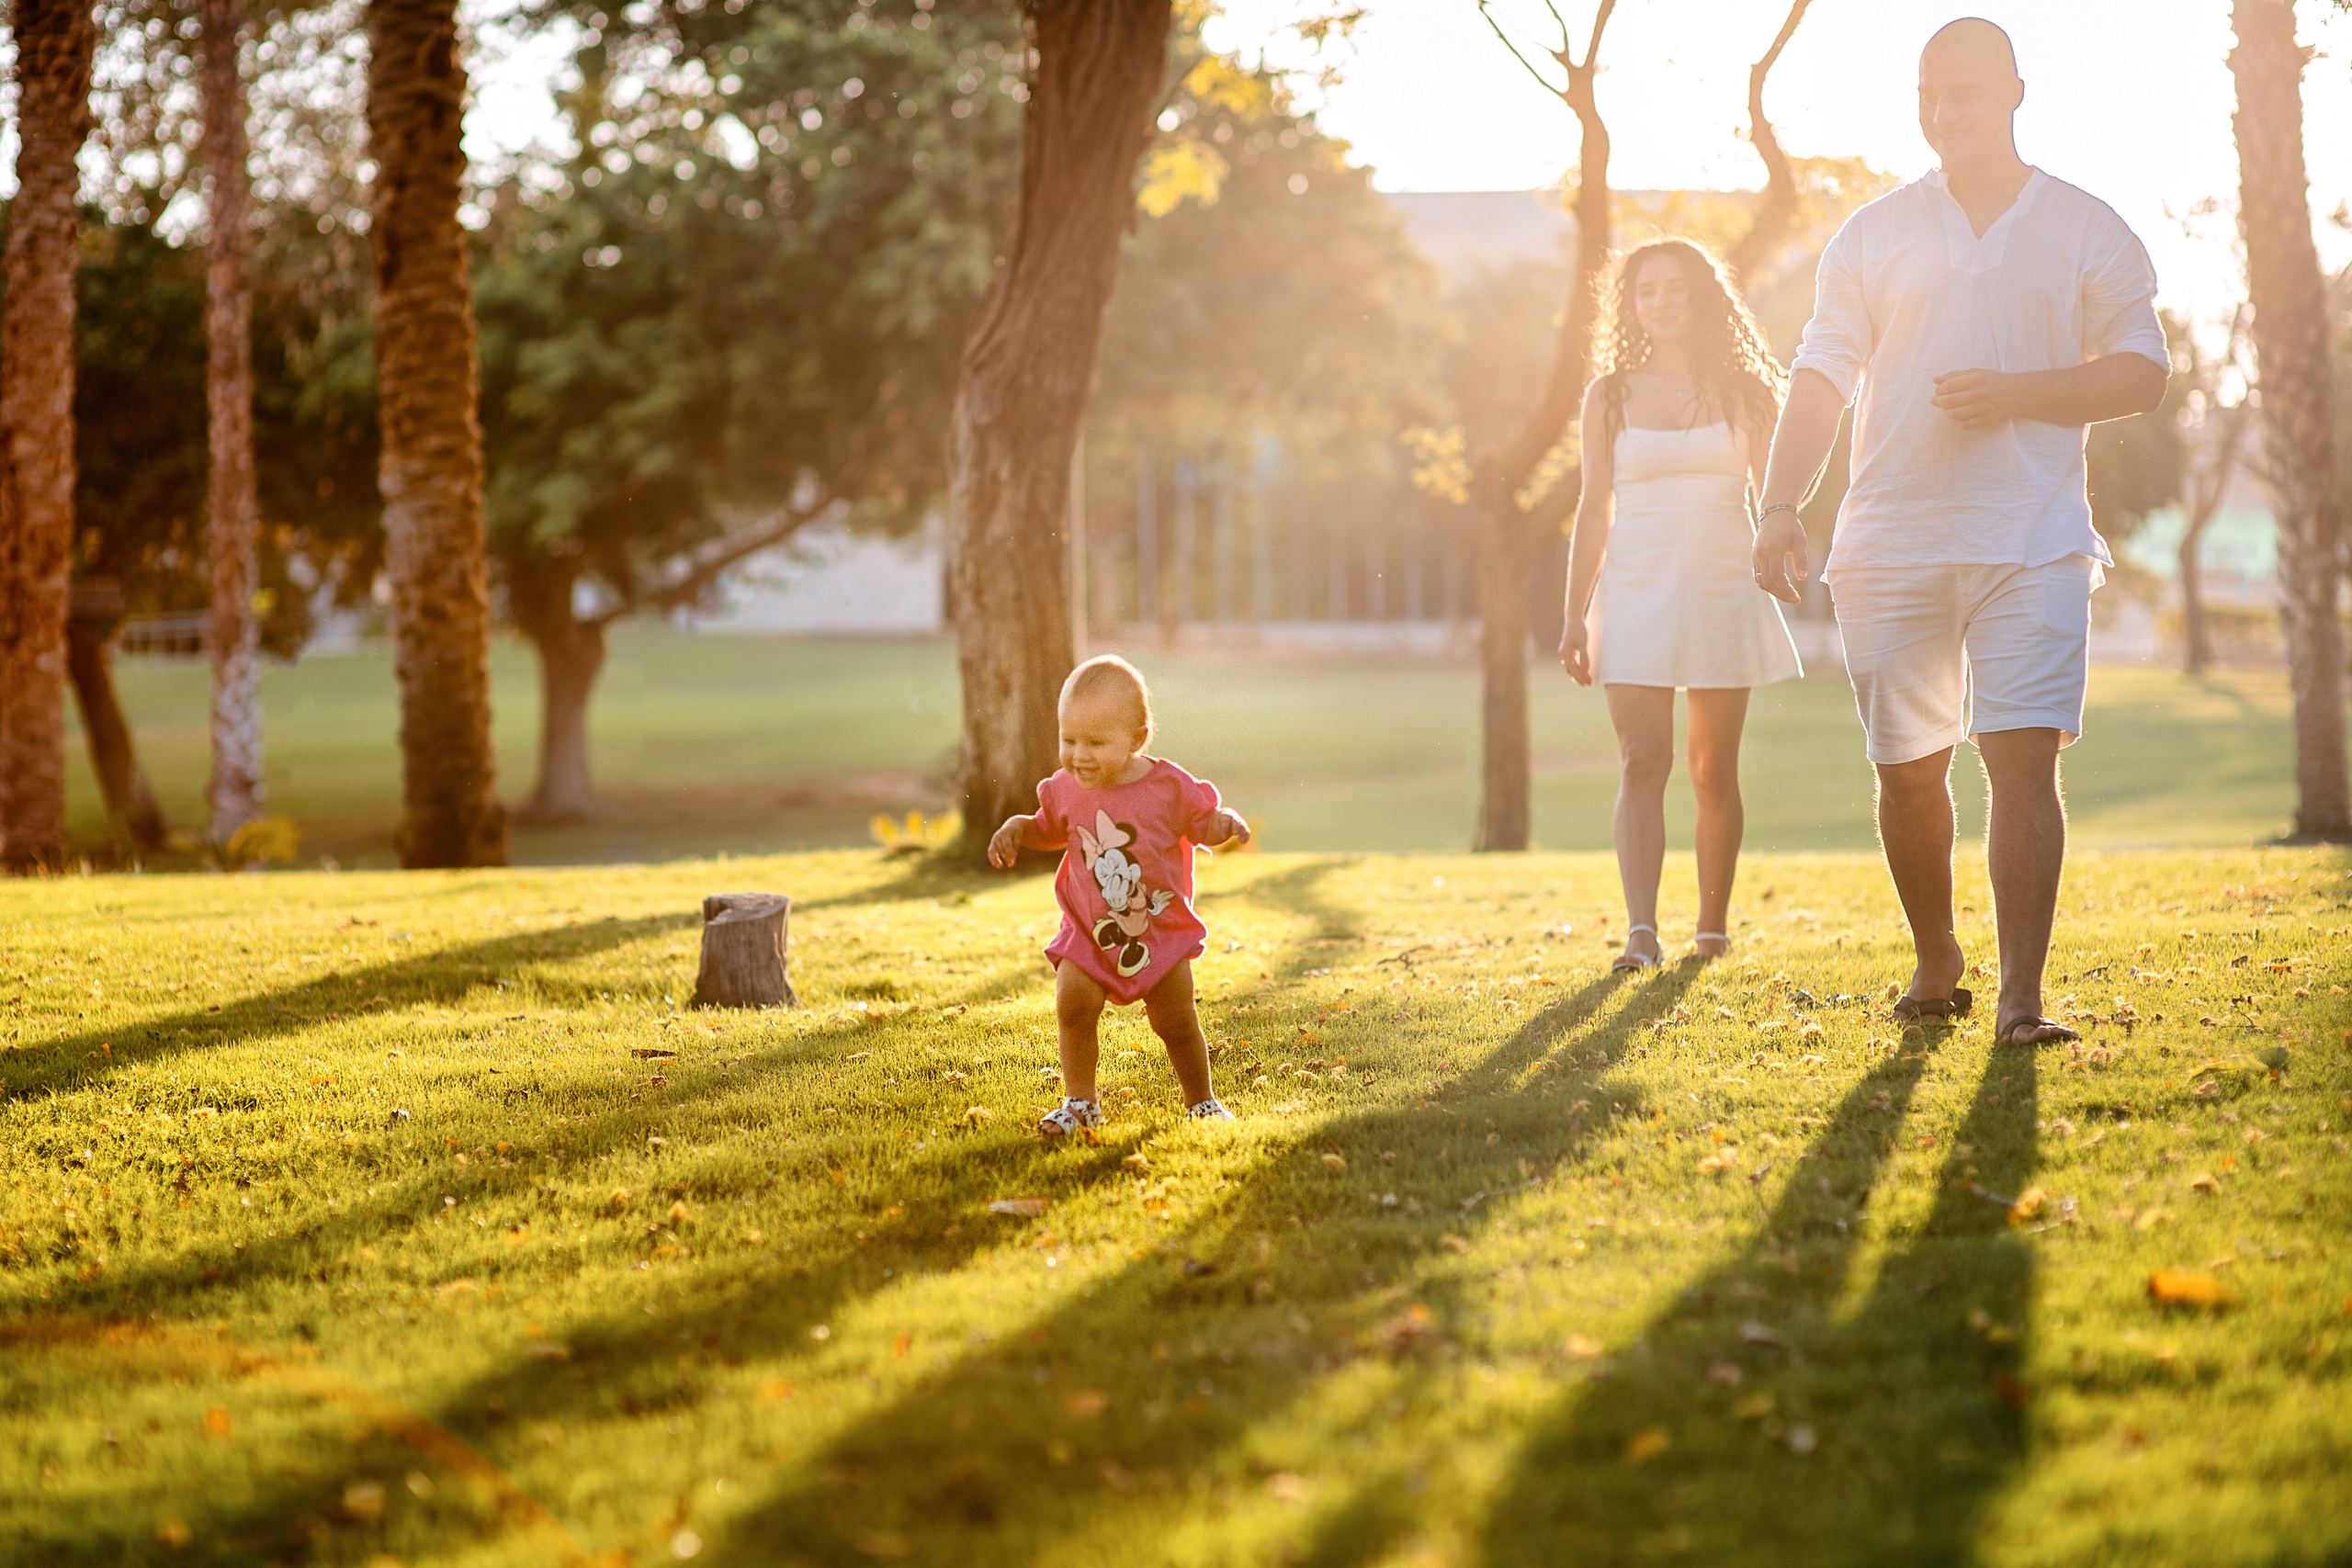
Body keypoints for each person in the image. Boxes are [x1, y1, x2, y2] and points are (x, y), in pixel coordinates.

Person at [1750, 17, 2168, 1044]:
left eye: (1967, 90)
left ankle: (2022, 1001)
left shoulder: (2085, 225)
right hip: (1890, 536)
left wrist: (2020, 394)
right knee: (1908, 768)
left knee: (2021, 757)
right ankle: (1937, 954)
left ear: (2017, 91)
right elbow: (1819, 375)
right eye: (1929, 93)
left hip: (2032, 533)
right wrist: (1775, 503)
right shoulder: (1871, 234)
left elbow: (2141, 371)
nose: (1945, 110)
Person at [1560, 239, 1804, 971]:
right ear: (1630, 306)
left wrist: (1785, 550)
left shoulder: (1747, 395)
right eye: (1646, 291)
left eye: (1674, 288)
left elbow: (1777, 499)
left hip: (1723, 590)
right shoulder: (1608, 395)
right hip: (1634, 591)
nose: (1660, 302)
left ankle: (1712, 928)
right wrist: (1575, 613)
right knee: (1643, 758)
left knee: (1711, 769)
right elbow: (1592, 508)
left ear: (1700, 297)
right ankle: (1641, 932)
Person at [989, 655, 1250, 1134]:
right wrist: (1016, 829)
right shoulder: (1066, 788)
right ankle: (1081, 1102)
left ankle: (1201, 1101)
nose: (1079, 755)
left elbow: (1202, 822)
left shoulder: (1167, 786)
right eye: (1068, 740)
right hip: (1090, 931)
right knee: (1072, 1003)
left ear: (1136, 738)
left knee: (1175, 1019)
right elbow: (1048, 829)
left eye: (1095, 742)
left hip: (1157, 930)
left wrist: (1223, 825)